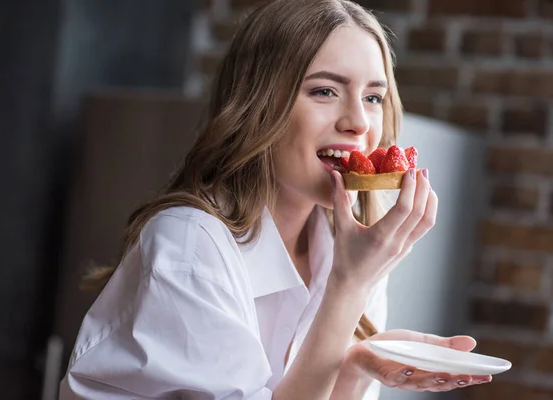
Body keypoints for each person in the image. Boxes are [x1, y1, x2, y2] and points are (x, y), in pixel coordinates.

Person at [59, 0, 492, 398]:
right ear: (257, 105)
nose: (359, 121)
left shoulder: (349, 250)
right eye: (324, 91)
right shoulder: (192, 244)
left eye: (373, 97)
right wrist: (350, 285)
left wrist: (357, 367)